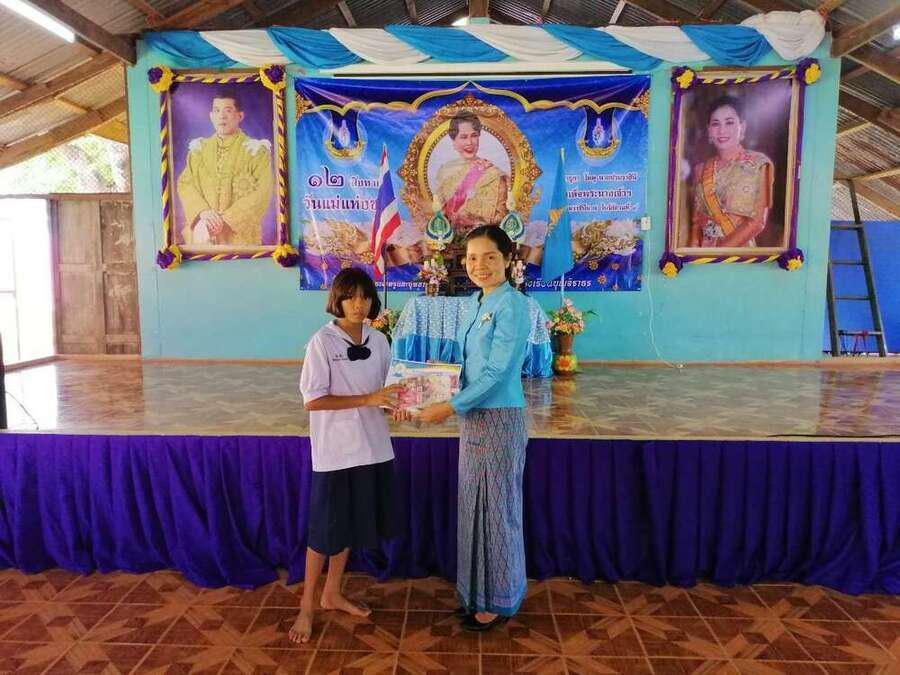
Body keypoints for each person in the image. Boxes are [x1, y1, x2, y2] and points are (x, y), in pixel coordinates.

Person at [416, 225, 531, 632]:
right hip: (473, 416)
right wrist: (431, 387)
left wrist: (449, 406)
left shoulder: (513, 305)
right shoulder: (474, 303)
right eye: (472, 258)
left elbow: (498, 373)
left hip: (499, 417)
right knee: (473, 505)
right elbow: (465, 365)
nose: (479, 265)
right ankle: (475, 594)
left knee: (497, 508)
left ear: (508, 260)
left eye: (490, 257)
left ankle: (500, 599)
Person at [290, 267, 401, 644]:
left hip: (374, 448)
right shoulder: (322, 342)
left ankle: (332, 594)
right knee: (324, 531)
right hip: (335, 452)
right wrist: (368, 399)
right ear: (337, 299)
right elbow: (313, 400)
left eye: (365, 297)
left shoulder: (380, 340)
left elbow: (387, 391)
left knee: (350, 525)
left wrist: (404, 406)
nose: (359, 304)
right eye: (351, 296)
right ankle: (307, 606)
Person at [177, 89, 274, 246]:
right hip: (203, 230)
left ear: (240, 116)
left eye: (228, 110)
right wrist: (203, 212)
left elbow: (263, 191)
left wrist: (226, 219)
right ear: (211, 116)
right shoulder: (198, 150)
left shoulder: (255, 151)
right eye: (217, 110)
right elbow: (185, 184)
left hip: (240, 237)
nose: (221, 116)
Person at [690, 95, 774, 248]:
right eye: (715, 124)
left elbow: (756, 223)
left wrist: (719, 253)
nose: (722, 130)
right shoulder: (700, 169)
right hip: (704, 252)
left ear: (742, 127)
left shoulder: (758, 164)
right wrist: (693, 253)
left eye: (729, 122)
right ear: (709, 130)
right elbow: (697, 222)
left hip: (740, 254)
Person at [433, 113, 509, 232]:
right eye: (463, 137)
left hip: (485, 237)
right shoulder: (444, 171)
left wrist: (476, 223)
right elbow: (438, 214)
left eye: (474, 136)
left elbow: (502, 216)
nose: (470, 142)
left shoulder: (493, 174)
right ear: (454, 140)